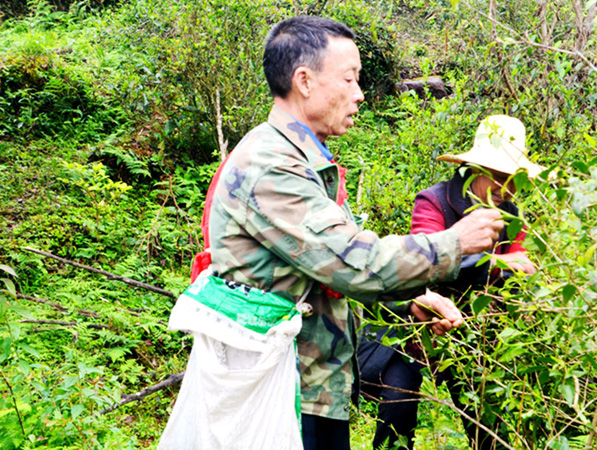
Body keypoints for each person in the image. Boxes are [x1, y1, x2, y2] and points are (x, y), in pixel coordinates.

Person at [162, 16, 506, 450]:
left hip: (312, 383)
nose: (359, 93)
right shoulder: (272, 166)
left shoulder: (303, 162)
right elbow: (351, 262)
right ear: (304, 81)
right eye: (349, 78)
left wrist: (411, 299)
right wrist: (455, 243)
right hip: (281, 389)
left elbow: (325, 269)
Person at [358, 115, 542, 450]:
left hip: (473, 334)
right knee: (398, 407)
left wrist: (484, 266)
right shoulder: (435, 201)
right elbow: (427, 261)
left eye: (513, 180)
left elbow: (524, 268)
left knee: (487, 422)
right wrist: (495, 264)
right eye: (499, 177)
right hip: (417, 327)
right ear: (476, 169)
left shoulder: (512, 215)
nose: (506, 189)